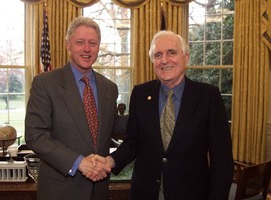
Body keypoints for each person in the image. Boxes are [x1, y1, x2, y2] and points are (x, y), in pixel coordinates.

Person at [93, 30, 234, 200]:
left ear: (186, 58)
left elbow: (222, 160)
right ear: (153, 61)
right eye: (158, 55)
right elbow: (133, 143)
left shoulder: (208, 97)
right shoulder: (140, 93)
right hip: (146, 193)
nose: (164, 60)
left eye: (171, 53)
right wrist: (109, 161)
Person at [25, 17, 117, 200]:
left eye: (93, 43)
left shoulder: (109, 87)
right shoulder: (45, 83)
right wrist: (78, 162)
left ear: (98, 47)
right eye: (80, 42)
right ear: (68, 45)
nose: (87, 49)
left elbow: (111, 125)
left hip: (98, 190)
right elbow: (36, 135)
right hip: (60, 191)